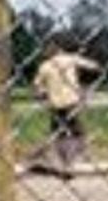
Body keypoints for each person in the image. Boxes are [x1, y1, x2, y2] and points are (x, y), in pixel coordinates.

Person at [32, 40, 102, 175]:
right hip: (71, 101)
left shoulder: (45, 66)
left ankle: (63, 160)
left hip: (55, 104)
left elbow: (37, 86)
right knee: (77, 132)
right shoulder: (69, 59)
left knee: (59, 132)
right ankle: (71, 161)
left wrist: (41, 96)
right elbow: (94, 66)